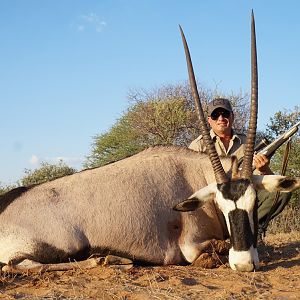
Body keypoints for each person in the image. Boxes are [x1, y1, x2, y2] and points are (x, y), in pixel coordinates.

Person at [188, 98, 291, 235]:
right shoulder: (197, 146)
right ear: (209, 120)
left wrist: (264, 169)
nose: (221, 118)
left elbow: (264, 178)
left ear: (232, 116)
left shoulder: (246, 141)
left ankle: (250, 232)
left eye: (225, 114)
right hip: (213, 203)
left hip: (242, 198)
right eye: (215, 115)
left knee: (282, 192)